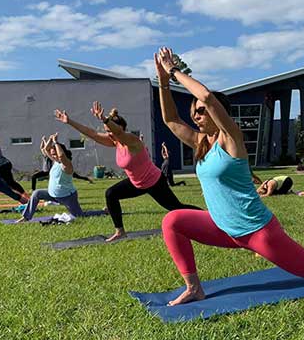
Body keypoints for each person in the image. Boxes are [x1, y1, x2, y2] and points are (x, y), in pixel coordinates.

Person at [154, 46, 304, 306]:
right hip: (222, 227)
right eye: (194, 111)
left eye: (201, 111)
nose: (196, 115)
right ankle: (194, 288)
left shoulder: (231, 139)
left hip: (257, 231)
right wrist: (163, 83)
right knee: (172, 221)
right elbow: (171, 119)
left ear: (218, 113)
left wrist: (174, 71)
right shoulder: (201, 143)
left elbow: (207, 96)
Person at [54, 103, 201, 242]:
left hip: (154, 182)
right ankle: (120, 231)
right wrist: (69, 121)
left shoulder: (132, 140)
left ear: (122, 128)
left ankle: (206, 217)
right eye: (107, 131)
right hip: (136, 183)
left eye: (111, 131)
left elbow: (118, 132)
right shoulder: (114, 141)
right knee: (111, 193)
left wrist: (104, 119)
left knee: (175, 207)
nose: (109, 134)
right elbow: (92, 133)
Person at [16, 133, 84, 223]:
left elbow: (61, 156)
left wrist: (56, 142)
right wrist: (51, 140)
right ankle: (26, 217)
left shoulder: (67, 165)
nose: (54, 156)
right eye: (53, 154)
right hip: (53, 195)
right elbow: (45, 149)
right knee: (36, 193)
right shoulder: (56, 162)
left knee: (80, 216)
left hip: (67, 197)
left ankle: (104, 212)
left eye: (55, 154)